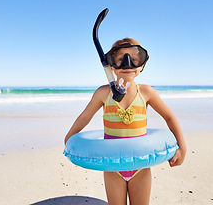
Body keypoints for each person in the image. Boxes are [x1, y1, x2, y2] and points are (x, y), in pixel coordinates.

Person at [64, 38, 186, 205]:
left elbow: (169, 117)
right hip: (113, 167)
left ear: (142, 64)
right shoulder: (103, 93)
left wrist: (182, 148)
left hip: (140, 166)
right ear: (111, 65)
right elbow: (85, 116)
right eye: (120, 59)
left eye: (134, 59)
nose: (127, 64)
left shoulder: (146, 92)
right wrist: (70, 138)